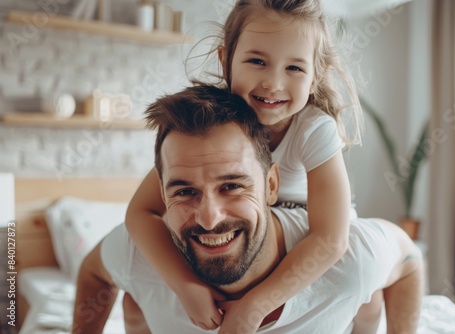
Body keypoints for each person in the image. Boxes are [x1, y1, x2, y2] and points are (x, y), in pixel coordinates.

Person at [72, 85, 423, 334]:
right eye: (184, 191)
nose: (210, 218)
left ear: (272, 185)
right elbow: (92, 271)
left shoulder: (349, 260)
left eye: (231, 186)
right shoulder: (142, 252)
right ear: (162, 196)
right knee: (135, 304)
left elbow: (409, 262)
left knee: (367, 300)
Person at [125, 1, 365, 332]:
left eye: (294, 68)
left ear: (315, 75)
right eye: (257, 61)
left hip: (302, 241)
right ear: (226, 61)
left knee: (366, 294)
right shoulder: (210, 125)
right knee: (134, 296)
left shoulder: (314, 128)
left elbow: (330, 239)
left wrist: (255, 307)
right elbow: (140, 212)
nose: (273, 84)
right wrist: (185, 286)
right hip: (248, 237)